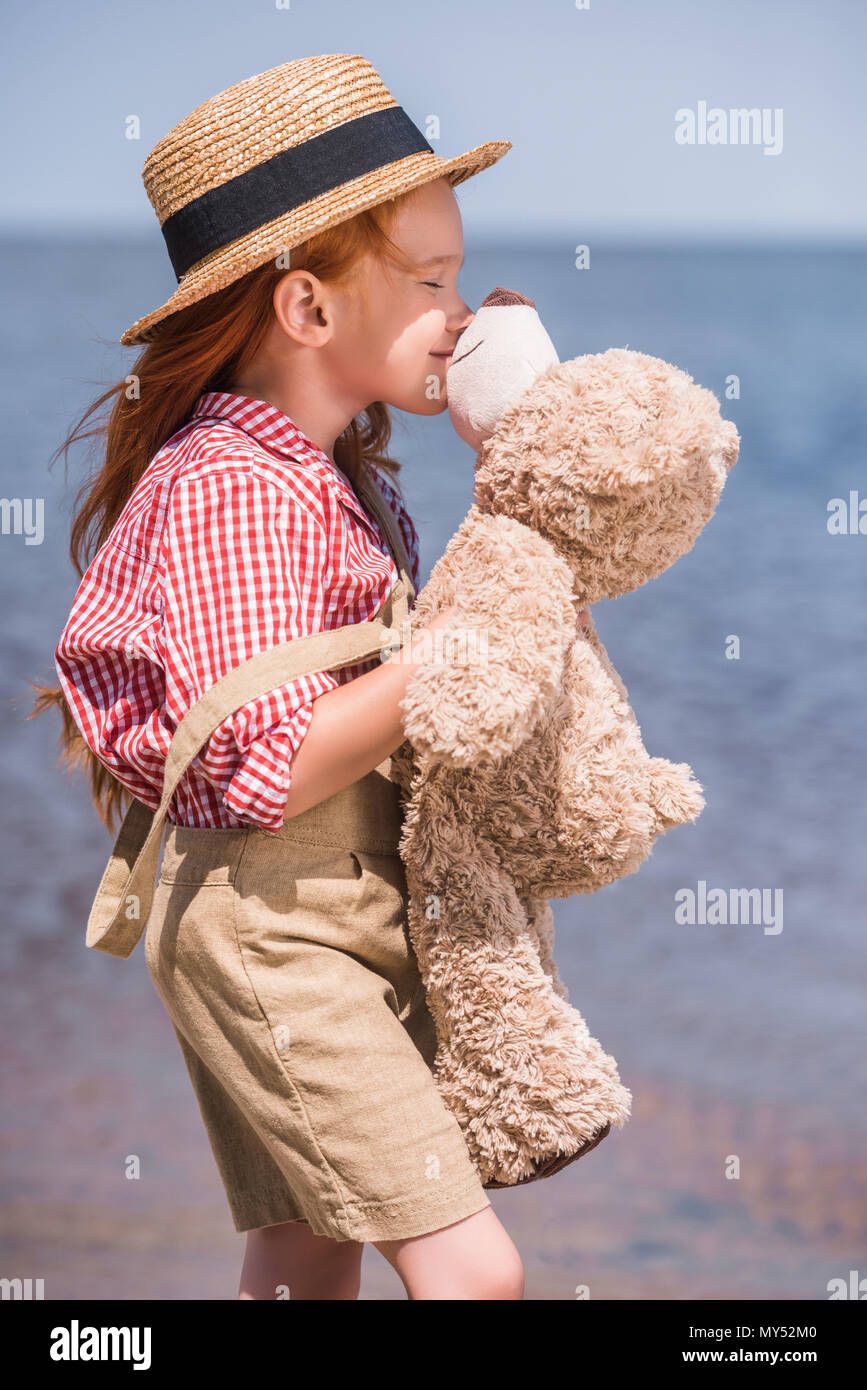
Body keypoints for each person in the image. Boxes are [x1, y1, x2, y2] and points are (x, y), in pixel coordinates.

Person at [35, 55, 528, 1300]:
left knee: (306, 1259)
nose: (460, 313)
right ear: (306, 309)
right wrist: (447, 657)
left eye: (459, 277)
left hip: (332, 916)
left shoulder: (337, 477)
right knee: (474, 1273)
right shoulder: (235, 489)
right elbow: (261, 763)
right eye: (430, 282)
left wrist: (513, 471)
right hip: (270, 931)